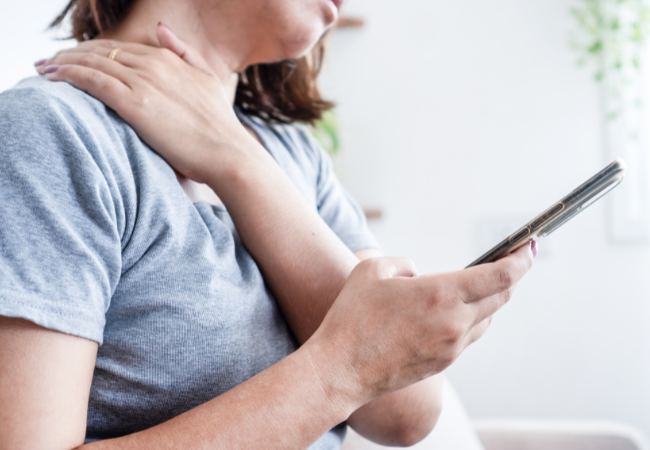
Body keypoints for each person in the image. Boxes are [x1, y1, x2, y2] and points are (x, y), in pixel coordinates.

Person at [0, 0, 536, 448]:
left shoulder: (294, 155)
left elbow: (405, 413)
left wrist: (237, 160)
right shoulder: (51, 131)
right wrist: (339, 369)